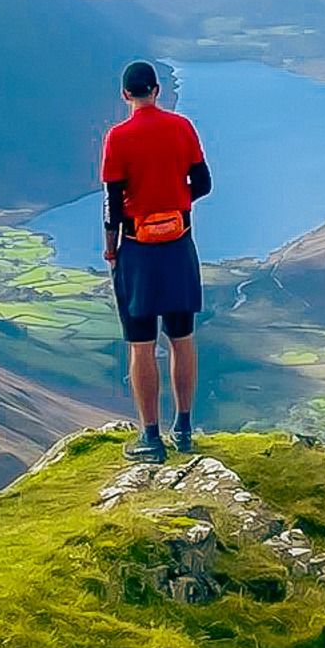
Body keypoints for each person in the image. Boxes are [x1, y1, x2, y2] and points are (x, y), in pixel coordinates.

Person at [100, 60, 211, 462]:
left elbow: (112, 205)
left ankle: (151, 437)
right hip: (179, 245)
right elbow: (203, 183)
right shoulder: (182, 128)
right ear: (157, 91)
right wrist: (174, 206)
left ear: (126, 94)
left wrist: (112, 249)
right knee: (182, 338)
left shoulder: (118, 138)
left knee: (141, 345)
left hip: (138, 251)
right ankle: (183, 427)